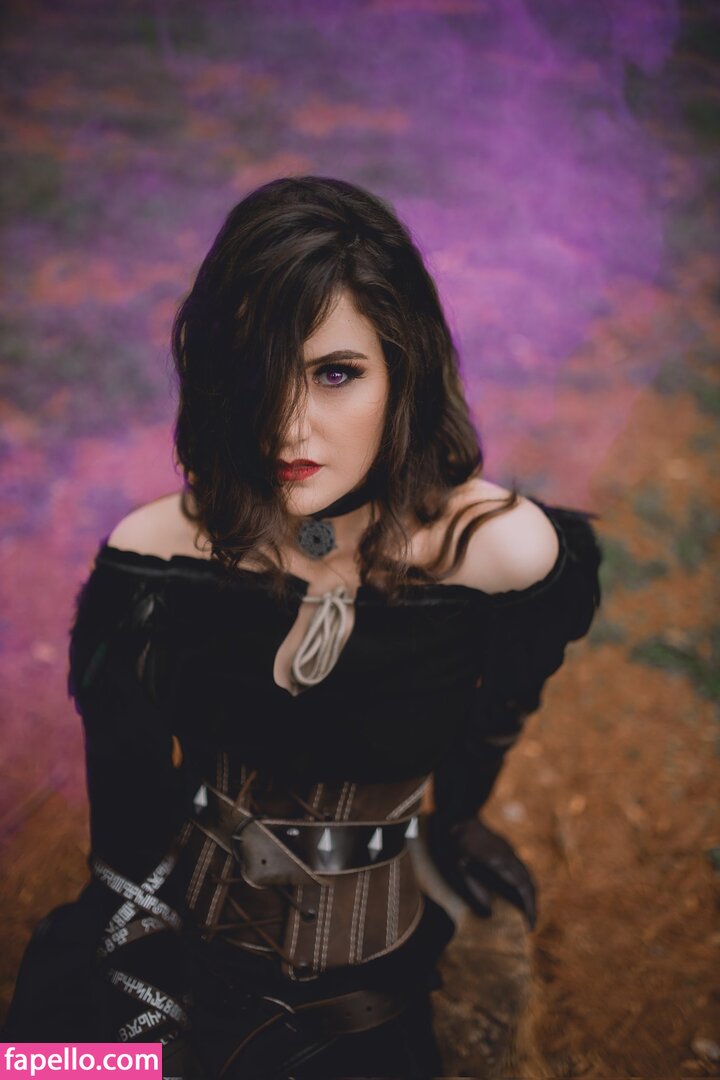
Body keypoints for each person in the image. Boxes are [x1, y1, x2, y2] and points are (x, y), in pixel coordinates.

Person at [3, 176, 603, 1078]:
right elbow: (127, 829)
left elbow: (499, 713)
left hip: (369, 985)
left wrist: (459, 819)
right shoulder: (155, 560)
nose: (288, 425)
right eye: (258, 370)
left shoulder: (495, 552)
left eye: (335, 373)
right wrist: (141, 1023)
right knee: (47, 1068)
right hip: (183, 957)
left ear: (404, 369)